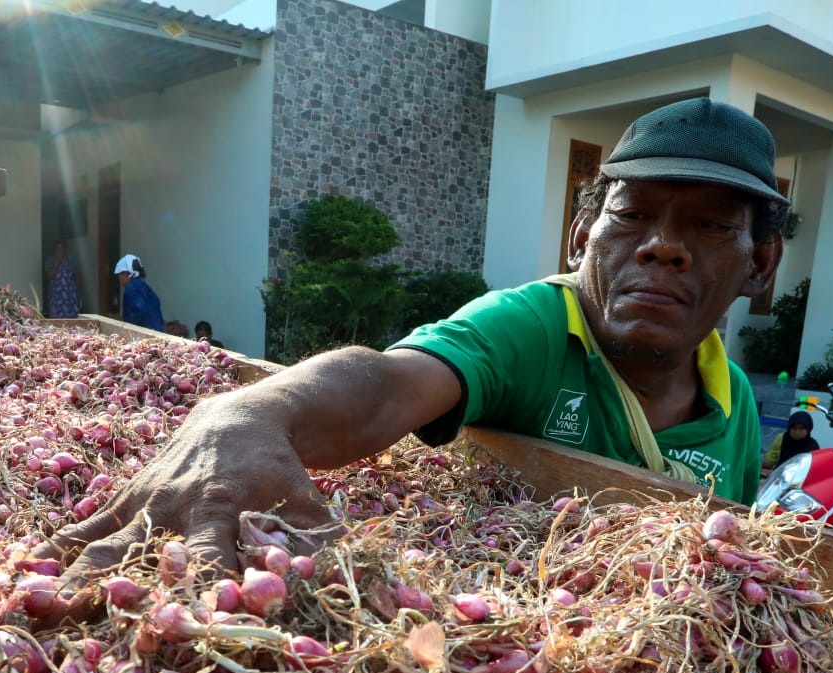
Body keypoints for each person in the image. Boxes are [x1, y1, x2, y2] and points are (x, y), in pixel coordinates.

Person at [42, 98, 787, 609]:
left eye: (711, 227)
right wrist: (244, 411)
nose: (662, 245)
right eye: (631, 216)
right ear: (577, 239)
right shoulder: (534, 328)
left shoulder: (738, 405)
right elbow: (385, 387)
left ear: (760, 265)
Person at [115, 254, 164, 333]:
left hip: (143, 336)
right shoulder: (144, 286)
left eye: (120, 274)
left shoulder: (131, 289)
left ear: (127, 274)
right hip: (158, 333)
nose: (119, 278)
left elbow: (139, 311)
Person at [46, 241, 82, 320]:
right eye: (57, 249)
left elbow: (77, 278)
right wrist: (57, 262)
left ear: (65, 250)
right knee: (57, 322)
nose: (60, 251)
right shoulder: (50, 261)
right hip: (56, 299)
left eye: (61, 249)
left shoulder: (71, 261)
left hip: (70, 298)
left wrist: (79, 295)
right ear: (54, 250)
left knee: (72, 322)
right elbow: (51, 276)